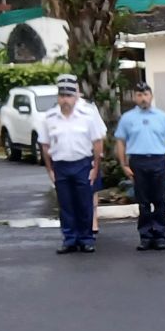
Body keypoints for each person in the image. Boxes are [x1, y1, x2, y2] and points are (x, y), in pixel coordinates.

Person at [39, 73, 106, 254]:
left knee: (84, 203)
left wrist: (95, 168)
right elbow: (45, 145)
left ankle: (86, 239)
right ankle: (69, 239)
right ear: (58, 97)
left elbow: (97, 143)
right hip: (61, 165)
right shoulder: (50, 117)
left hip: (83, 164)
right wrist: (49, 170)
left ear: (76, 96)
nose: (65, 100)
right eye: (62, 96)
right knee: (66, 204)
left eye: (69, 96)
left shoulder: (88, 115)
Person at [114, 83, 165, 252]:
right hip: (138, 162)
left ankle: (159, 236)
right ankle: (145, 237)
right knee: (143, 202)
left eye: (146, 94)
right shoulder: (127, 118)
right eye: (139, 95)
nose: (143, 98)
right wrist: (124, 164)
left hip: (158, 161)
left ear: (151, 96)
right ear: (134, 97)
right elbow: (120, 141)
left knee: (159, 200)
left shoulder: (162, 116)